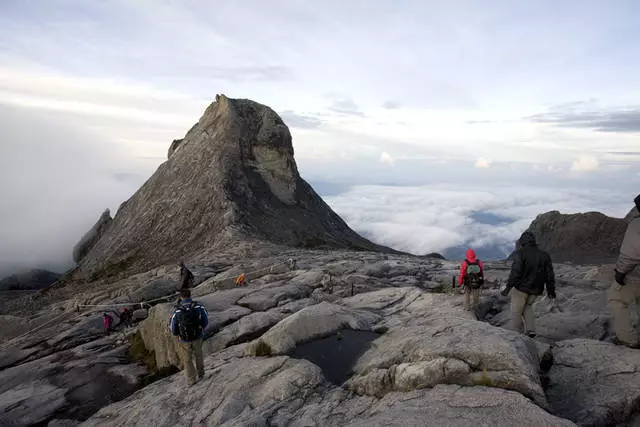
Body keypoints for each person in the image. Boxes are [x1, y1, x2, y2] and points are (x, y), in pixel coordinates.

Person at [501, 231, 556, 338]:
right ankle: (531, 330)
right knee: (528, 306)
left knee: (515, 312)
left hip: (521, 289)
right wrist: (551, 291)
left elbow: (515, 272)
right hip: (536, 290)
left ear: (522, 242)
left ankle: (519, 335)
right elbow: (550, 275)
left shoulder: (520, 253)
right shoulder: (544, 255)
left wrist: (508, 288)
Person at [608, 194, 640, 348]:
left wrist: (620, 272)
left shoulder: (637, 224)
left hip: (636, 274)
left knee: (616, 297)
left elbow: (631, 253)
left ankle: (628, 339)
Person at [169, 288, 209, 385]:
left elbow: (173, 327)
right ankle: (201, 373)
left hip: (184, 339)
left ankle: (192, 379)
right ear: (190, 295)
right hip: (198, 336)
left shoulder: (177, 310)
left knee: (187, 359)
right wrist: (202, 329)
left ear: (181, 297)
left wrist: (177, 334)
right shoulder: (198, 306)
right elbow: (205, 319)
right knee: (198, 355)